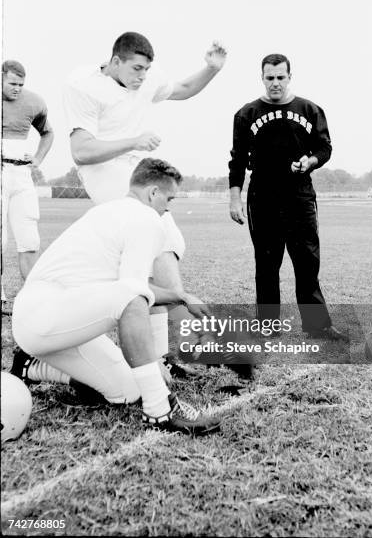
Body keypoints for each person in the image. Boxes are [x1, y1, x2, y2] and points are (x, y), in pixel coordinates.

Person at [11, 158, 220, 435]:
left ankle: (32, 366)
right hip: (47, 313)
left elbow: (128, 287)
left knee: (127, 390)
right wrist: (155, 359)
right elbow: (132, 294)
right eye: (169, 198)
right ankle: (159, 411)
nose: (169, 206)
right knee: (132, 298)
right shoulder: (147, 220)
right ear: (153, 193)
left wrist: (180, 296)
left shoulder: (110, 211)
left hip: (47, 318)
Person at [63, 31, 227, 373]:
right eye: (136, 68)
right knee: (150, 234)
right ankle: (185, 336)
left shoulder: (147, 78)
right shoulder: (83, 85)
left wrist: (210, 69)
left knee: (165, 242)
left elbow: (182, 90)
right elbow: (81, 151)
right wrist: (134, 140)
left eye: (146, 70)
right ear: (116, 61)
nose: (142, 76)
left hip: (133, 165)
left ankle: (169, 350)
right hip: (103, 167)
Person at [228, 53, 346, 339]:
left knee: (307, 262)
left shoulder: (310, 109)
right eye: (270, 78)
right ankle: (268, 327)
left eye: (281, 77)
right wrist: (234, 199)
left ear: (290, 77)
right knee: (266, 265)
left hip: (299, 196)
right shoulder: (247, 114)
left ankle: (317, 325)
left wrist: (310, 161)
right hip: (263, 197)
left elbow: (324, 147)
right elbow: (237, 160)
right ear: (262, 78)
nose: (276, 83)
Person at [2, 60, 54, 312]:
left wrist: (38, 158)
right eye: (12, 83)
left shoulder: (33, 101)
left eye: (21, 84)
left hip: (21, 175)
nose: (17, 88)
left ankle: (32, 297)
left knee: (29, 237)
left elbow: (48, 132)